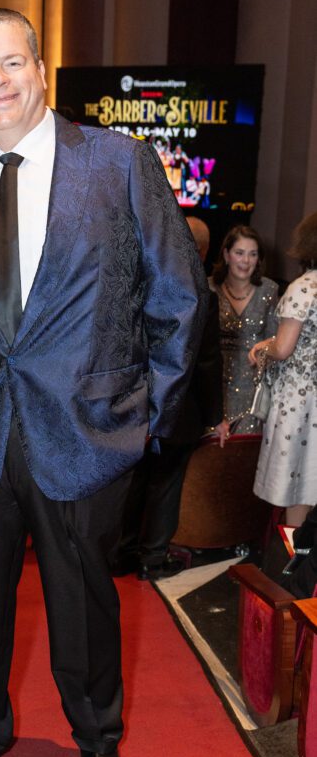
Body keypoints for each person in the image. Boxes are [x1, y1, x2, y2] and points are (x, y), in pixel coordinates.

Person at [0, 8, 207, 757]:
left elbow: (178, 297)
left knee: (82, 604)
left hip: (86, 431)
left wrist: (149, 425)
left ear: (40, 70)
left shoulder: (117, 163)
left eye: (10, 64)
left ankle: (96, 736)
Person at [117, 217, 227, 581]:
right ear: (205, 250)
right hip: (179, 405)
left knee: (134, 480)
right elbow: (207, 361)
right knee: (165, 484)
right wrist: (215, 413)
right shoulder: (200, 293)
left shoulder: (140, 280)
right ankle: (152, 558)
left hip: (134, 400)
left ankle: (121, 553)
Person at [249, 211, 317, 527]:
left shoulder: (304, 288)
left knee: (297, 488)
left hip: (301, 403)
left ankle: (296, 569)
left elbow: (284, 348)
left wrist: (265, 347)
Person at [210, 225, 278, 432]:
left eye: (253, 254)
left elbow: (276, 341)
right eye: (239, 253)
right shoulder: (208, 288)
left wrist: (265, 351)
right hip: (213, 389)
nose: (246, 261)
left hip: (252, 390)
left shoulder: (269, 289)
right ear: (226, 255)